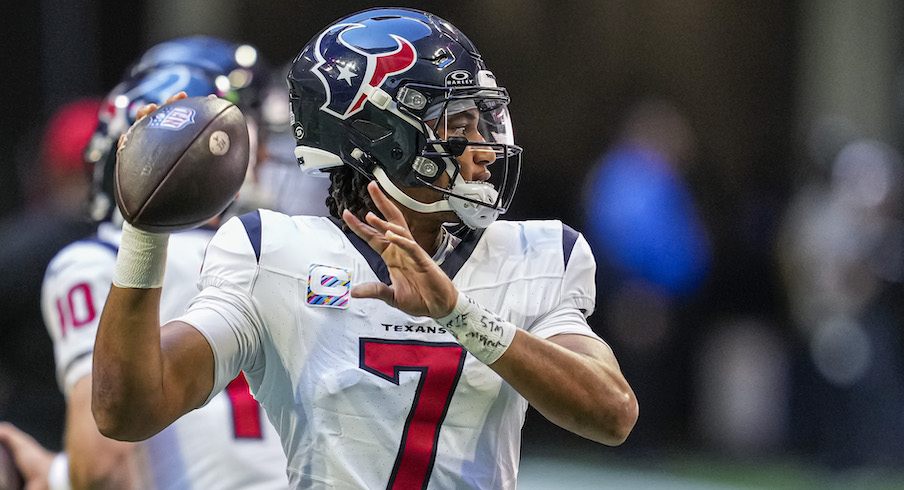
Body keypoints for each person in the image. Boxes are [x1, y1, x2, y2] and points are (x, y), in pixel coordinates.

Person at [92, 8, 638, 489]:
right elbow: (129, 410)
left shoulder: (536, 253)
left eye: (483, 122)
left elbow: (612, 413)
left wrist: (459, 316)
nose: (485, 151)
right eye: (457, 124)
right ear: (381, 138)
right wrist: (144, 235)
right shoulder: (273, 254)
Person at [0, 37, 289, 489]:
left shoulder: (98, 261)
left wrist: (54, 477)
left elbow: (104, 470)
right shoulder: (285, 255)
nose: (268, 159)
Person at [0, 97, 100, 453]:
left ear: (51, 166)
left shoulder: (18, 248)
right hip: (134, 453)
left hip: (32, 447)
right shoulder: (148, 245)